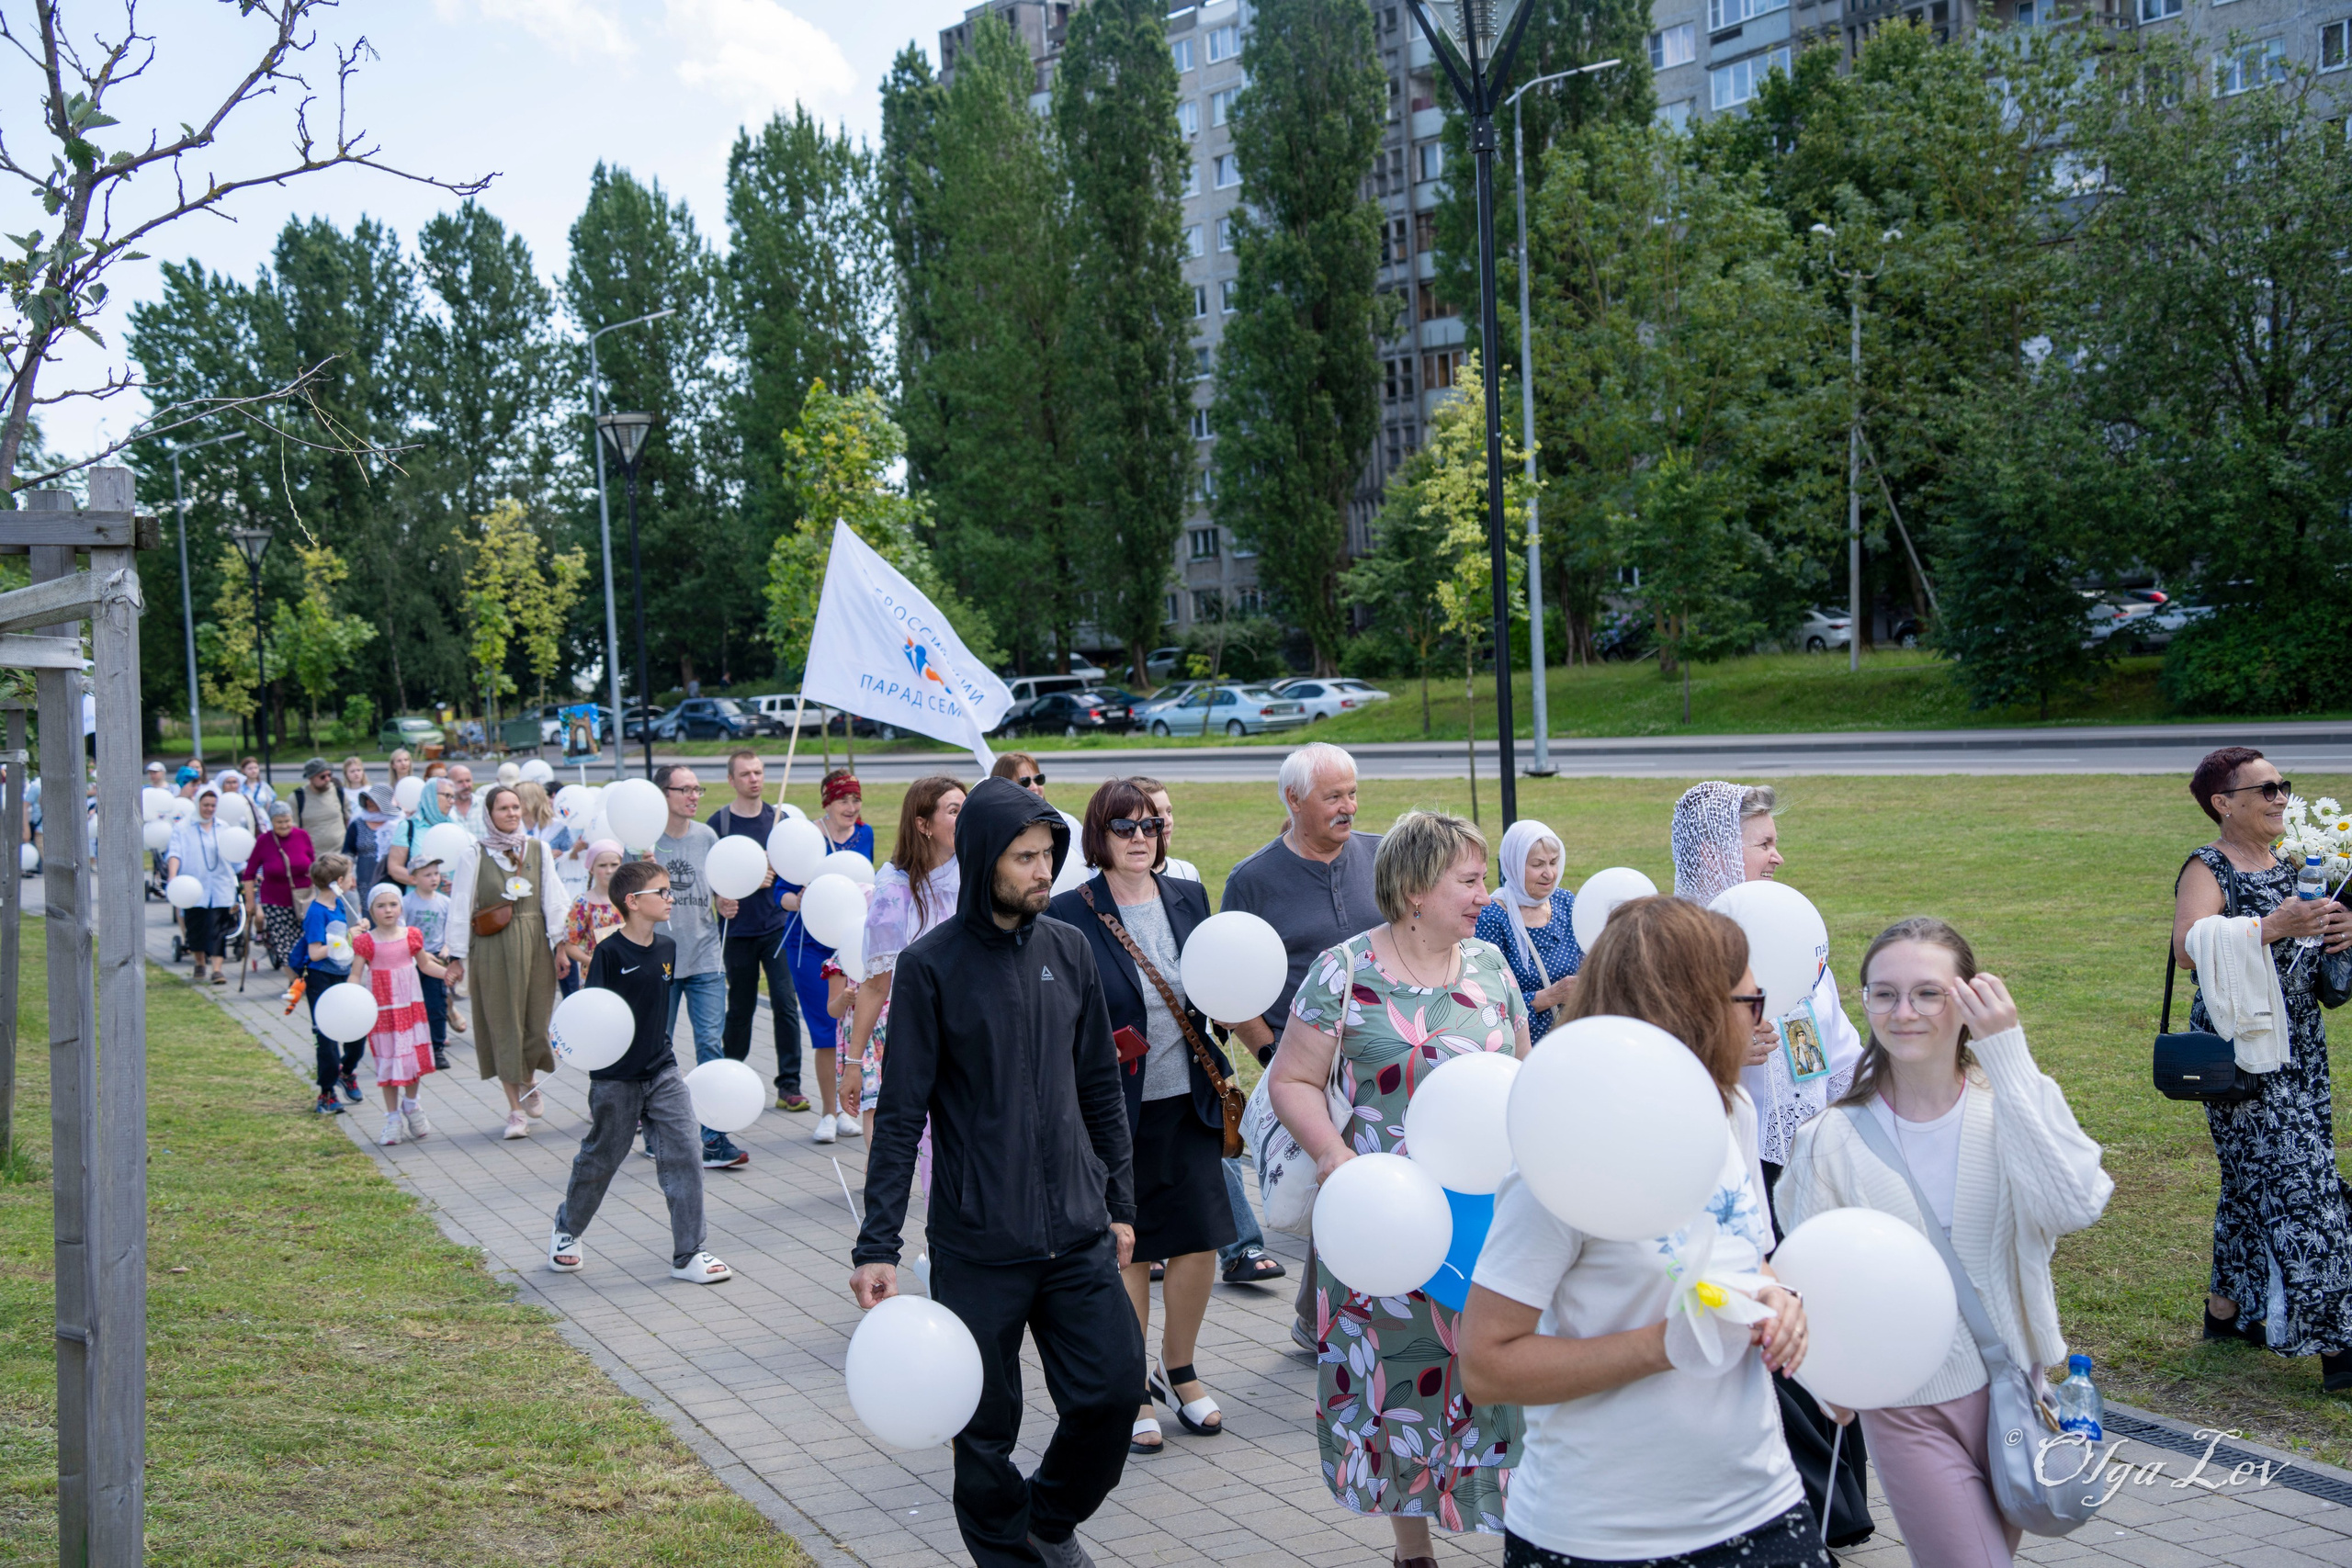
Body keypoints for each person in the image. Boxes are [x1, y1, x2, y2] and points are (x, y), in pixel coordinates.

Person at [1460, 895, 1817, 1568]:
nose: (1765, 1021)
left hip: (1762, 1506)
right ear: (1696, 1011)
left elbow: (1748, 1258)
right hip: (1599, 1536)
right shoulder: (1564, 1159)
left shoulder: (1730, 1109)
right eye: (1751, 1003)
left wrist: (1778, 1300)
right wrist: (1661, 1345)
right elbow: (1485, 1364)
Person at [851, 776, 1142, 1568]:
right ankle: (1012, 1555)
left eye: (1049, 855)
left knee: (1114, 1394)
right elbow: (902, 1112)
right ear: (984, 861)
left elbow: (1099, 1090)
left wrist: (1119, 1201)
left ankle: (1044, 1522)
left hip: (1079, 1232)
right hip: (979, 1242)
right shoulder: (930, 966)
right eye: (1025, 857)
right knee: (982, 1433)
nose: (1043, 871)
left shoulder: (1069, 948)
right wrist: (877, 1243)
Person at [1779, 917, 2113, 1564]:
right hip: (1907, 1405)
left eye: (1928, 993)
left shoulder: (2009, 1104)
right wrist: (1831, 1386)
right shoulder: (1829, 1139)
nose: (1903, 1012)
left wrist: (2008, 1054)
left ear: (1967, 998)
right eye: (1884, 993)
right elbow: (1807, 1281)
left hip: (2016, 1387)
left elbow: (2074, 1205)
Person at [1268, 809, 1526, 1561]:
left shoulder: (1491, 968)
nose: (1487, 894)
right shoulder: (1345, 971)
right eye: (1471, 881)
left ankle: (1521, 1534)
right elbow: (1292, 1078)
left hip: (1488, 1221)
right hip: (1386, 1226)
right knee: (1400, 1382)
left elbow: (1525, 1080)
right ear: (1416, 888)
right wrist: (1331, 1158)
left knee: (1496, 1380)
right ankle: (1413, 1549)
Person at [1671, 779, 1871, 1545]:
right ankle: (1795, 1500)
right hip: (1732, 1169)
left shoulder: (1790, 928)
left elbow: (1837, 1043)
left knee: (1820, 1313)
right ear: (1721, 851)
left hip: (1810, 1157)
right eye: (1763, 843)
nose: (1778, 856)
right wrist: (1720, 1047)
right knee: (1769, 1323)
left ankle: (1842, 1505)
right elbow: (1650, 1063)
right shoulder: (1683, 942)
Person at [1049, 778, 1237, 1457]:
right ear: (1099, 835)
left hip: (1185, 1098)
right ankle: (1131, 1385)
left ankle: (1178, 1367)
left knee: (1199, 1238)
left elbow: (1218, 986)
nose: (1139, 837)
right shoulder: (1071, 911)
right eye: (1124, 826)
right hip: (1113, 1107)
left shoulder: (1188, 897)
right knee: (1130, 1245)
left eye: (1150, 825)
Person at [2171, 747, 2352, 1384]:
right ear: (2225, 802)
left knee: (2255, 1178)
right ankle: (2341, 1344)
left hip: (2300, 1043)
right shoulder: (2208, 864)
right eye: (2266, 788)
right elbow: (2190, 945)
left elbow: (2317, 953)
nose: (2280, 797)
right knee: (2305, 1189)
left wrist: (2338, 929)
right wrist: (2272, 925)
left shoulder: (2298, 864)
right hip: (2241, 1046)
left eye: (2283, 787)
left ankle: (2226, 1312)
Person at [1225, 740, 1380, 1347]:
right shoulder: (1253, 880)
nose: (1349, 806)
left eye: (1353, 792)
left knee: (1362, 1187)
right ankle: (1325, 1318)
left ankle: (1321, 1315)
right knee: (1330, 1187)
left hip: (1382, 1055)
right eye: (1334, 795)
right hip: (1305, 1067)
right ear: (1293, 800)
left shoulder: (1381, 856)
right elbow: (1231, 987)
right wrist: (1272, 1057)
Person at [548, 857, 735, 1286]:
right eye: (662, 893)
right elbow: (590, 1012)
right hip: (616, 1078)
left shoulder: (667, 947)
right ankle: (567, 1231)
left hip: (662, 1070)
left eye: (670, 891)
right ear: (633, 902)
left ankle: (689, 1253)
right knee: (602, 1156)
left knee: (686, 1152)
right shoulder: (609, 953)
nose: (671, 899)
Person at [1132, 774, 1283, 1286]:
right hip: (1137, 1068)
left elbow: (1208, 959)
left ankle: (1241, 1247)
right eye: (1150, 815)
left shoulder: (1187, 881)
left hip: (1195, 1052)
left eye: (1165, 813)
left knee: (1218, 1145)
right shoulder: (1100, 892)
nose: (1161, 823)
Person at [442, 784, 571, 1140]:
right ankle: (515, 1110)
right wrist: (456, 957)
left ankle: (528, 1079)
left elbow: (555, 901)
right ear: (489, 814)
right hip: (491, 948)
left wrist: (560, 945)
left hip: (532, 946)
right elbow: (460, 906)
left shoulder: (538, 850)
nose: (512, 814)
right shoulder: (474, 854)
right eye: (503, 809)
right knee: (501, 1024)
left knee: (534, 1021)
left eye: (516, 807)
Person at [842, 774, 965, 1145]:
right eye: (954, 811)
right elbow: (876, 983)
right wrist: (853, 1064)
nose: (965, 818)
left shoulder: (980, 875)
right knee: (931, 1147)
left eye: (967, 809)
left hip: (979, 1030)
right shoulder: (895, 894)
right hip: (924, 1036)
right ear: (923, 824)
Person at [648, 763, 743, 1168]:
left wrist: (725, 901)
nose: (693, 796)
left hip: (705, 957)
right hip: (660, 961)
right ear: (663, 794)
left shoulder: (707, 836)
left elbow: (718, 888)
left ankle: (714, 1137)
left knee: (710, 1046)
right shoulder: (645, 841)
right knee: (658, 1050)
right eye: (684, 789)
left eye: (697, 789)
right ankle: (658, 1132)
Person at [709, 750, 807, 1110]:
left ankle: (790, 1084)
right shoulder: (718, 824)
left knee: (784, 1003)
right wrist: (720, 898)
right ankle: (731, 1079)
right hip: (737, 932)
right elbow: (711, 876)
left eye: (759, 772)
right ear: (731, 780)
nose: (755, 779)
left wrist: (779, 876)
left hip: (776, 929)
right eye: (746, 774)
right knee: (741, 1008)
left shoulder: (780, 821)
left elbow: (798, 870)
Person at [779, 769, 874, 1134]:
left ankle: (853, 1107)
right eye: (842, 799)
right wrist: (798, 899)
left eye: (855, 798)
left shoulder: (864, 833)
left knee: (856, 1029)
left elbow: (865, 879)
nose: (850, 807)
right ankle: (828, 1113)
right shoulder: (809, 837)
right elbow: (781, 892)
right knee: (824, 1030)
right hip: (810, 945)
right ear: (827, 802)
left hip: (852, 943)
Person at [349, 882, 447, 1147]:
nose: (388, 910)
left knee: (412, 1061)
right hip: (383, 1014)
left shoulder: (411, 935)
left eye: (393, 904)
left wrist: (448, 974)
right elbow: (356, 974)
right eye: (381, 906)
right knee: (387, 1062)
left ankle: (412, 1105)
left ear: (400, 907)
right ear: (371, 911)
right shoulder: (365, 942)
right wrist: (350, 997)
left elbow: (426, 965)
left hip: (411, 1008)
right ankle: (392, 1119)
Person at [1475, 819, 1582, 1045]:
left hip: (1573, 1039)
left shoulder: (1566, 902)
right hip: (1524, 1047)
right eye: (1538, 864)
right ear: (1513, 864)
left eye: (1554, 862)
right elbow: (1486, 1002)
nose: (1550, 874)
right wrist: (1548, 997)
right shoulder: (1491, 917)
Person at [303, 853, 363, 1113]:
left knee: (357, 1030)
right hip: (321, 979)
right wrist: (348, 936)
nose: (353, 880)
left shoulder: (339, 904)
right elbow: (315, 952)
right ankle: (326, 1094)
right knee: (327, 1038)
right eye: (350, 876)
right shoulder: (316, 912)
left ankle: (346, 1071)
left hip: (343, 974)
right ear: (339, 881)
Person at [165, 784, 240, 985]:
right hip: (193, 888)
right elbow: (175, 853)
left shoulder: (224, 827)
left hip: (220, 887)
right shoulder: (183, 828)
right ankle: (199, 962)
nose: (209, 809)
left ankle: (217, 970)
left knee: (218, 930)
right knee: (196, 928)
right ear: (198, 804)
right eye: (205, 805)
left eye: (213, 805)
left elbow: (236, 855)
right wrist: (173, 876)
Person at [993, 752, 1084, 893]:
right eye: (1025, 782)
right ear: (1003, 787)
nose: (1034, 787)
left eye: (1038, 779)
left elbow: (1090, 870)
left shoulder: (1068, 823)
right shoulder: (996, 831)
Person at [246, 798, 316, 976]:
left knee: (307, 938)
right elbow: (249, 874)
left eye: (287, 821)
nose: (285, 825)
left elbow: (314, 865)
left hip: (304, 898)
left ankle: (307, 976)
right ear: (272, 822)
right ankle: (293, 980)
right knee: (286, 942)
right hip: (275, 901)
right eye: (280, 822)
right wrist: (249, 902)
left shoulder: (302, 836)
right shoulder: (264, 841)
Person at [403, 857, 457, 1073]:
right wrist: (419, 951)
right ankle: (412, 1048)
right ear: (413, 879)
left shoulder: (444, 902)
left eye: (436, 873)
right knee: (412, 1006)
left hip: (436, 959)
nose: (434, 878)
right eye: (427, 875)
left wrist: (446, 947)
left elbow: (450, 929)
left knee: (436, 1005)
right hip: (411, 960)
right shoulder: (406, 903)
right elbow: (402, 931)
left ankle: (437, 1049)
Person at [560, 840, 628, 976]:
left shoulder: (629, 899)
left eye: (614, 865)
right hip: (596, 972)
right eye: (602, 866)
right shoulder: (583, 902)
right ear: (591, 868)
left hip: (627, 968)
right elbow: (570, 944)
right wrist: (593, 962)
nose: (609, 871)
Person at [344, 784, 397, 896]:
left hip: (392, 879)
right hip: (365, 879)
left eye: (374, 800)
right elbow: (348, 852)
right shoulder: (357, 824)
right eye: (368, 799)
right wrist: (348, 873)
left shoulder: (398, 824)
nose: (369, 802)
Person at [291, 758, 348, 860]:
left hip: (340, 857)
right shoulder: (297, 798)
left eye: (329, 775)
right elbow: (293, 832)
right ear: (310, 777)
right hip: (313, 860)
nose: (327, 779)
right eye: (322, 777)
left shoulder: (339, 793)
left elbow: (348, 821)